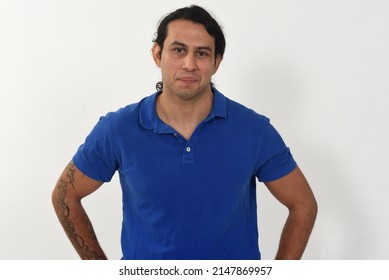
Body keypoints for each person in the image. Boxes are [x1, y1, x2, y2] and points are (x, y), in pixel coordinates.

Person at [52, 5, 317, 260]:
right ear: (157, 54)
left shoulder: (254, 130)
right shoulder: (118, 129)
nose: (189, 64)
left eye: (201, 54)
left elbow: (303, 204)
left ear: (216, 62)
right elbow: (65, 195)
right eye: (179, 50)